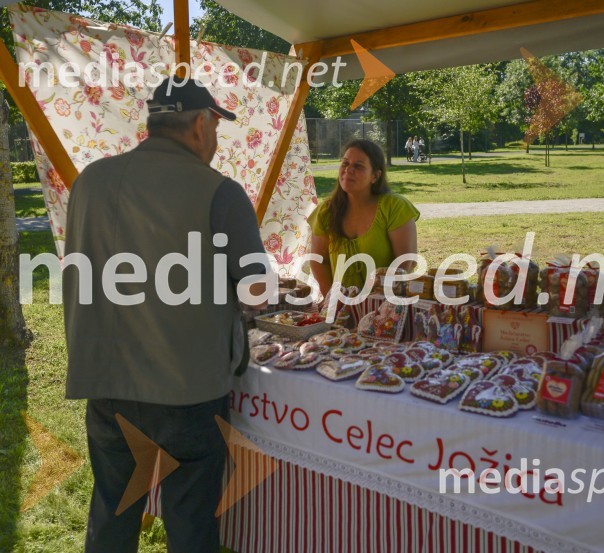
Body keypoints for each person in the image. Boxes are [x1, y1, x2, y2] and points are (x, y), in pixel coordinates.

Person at [63, 76, 268, 553]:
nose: (216, 139)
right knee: (191, 523)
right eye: (216, 126)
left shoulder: (91, 180)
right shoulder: (219, 190)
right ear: (200, 124)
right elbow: (257, 290)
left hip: (108, 381)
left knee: (112, 511)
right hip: (187, 388)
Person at [308, 139, 419, 297]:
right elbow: (319, 261)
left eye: (358, 166)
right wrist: (333, 300)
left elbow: (406, 261)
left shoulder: (394, 207)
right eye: (345, 163)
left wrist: (378, 302)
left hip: (388, 305)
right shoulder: (326, 211)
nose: (348, 170)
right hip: (340, 307)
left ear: (375, 176)